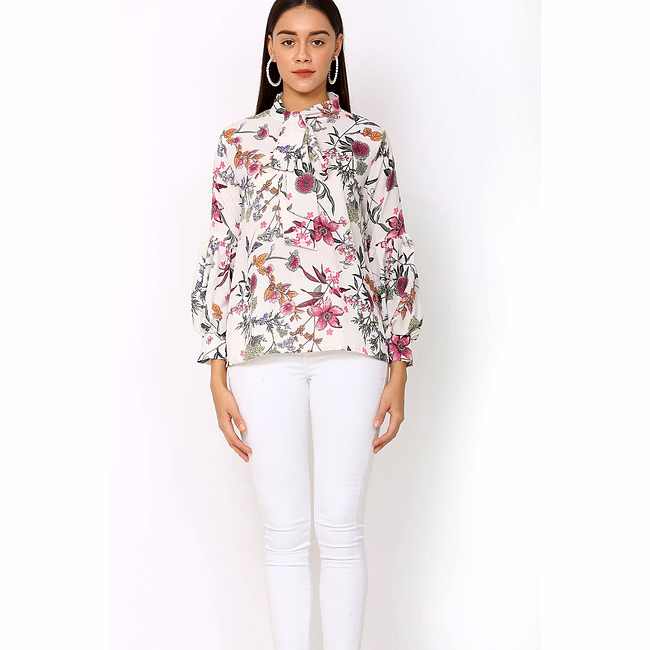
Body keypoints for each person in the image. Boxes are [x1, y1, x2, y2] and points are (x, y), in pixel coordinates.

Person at [190, 1, 424, 648]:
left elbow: (391, 249)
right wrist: (215, 367)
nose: (302, 54)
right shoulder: (238, 142)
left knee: (342, 528)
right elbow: (222, 251)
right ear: (270, 48)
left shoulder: (366, 139)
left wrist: (400, 366)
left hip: (353, 347)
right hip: (259, 351)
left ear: (336, 47)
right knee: (285, 534)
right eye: (289, 40)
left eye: (317, 41)